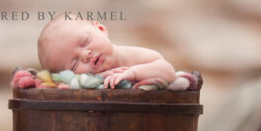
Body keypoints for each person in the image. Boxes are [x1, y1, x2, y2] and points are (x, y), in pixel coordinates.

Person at [37, 16, 175, 89]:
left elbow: (168, 72)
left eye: (85, 41)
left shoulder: (137, 56)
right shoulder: (84, 82)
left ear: (101, 29)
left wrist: (133, 72)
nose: (85, 55)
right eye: (74, 64)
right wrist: (97, 80)